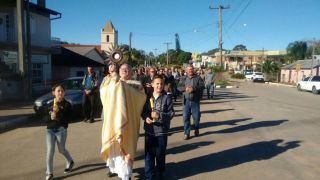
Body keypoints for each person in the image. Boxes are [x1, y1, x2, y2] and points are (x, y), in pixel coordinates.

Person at [100, 63, 146, 180]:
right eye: (122, 69)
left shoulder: (137, 85)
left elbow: (141, 97)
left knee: (127, 147)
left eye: (127, 69)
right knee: (114, 147)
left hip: (129, 124)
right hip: (113, 122)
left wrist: (120, 85)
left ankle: (126, 174)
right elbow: (103, 92)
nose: (125, 70)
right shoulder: (111, 82)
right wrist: (111, 76)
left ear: (131, 72)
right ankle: (114, 168)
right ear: (118, 71)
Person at [142, 75, 174, 180]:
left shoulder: (167, 97)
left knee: (160, 155)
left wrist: (160, 115)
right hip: (149, 131)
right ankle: (149, 176)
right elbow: (143, 111)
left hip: (161, 132)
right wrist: (146, 117)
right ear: (152, 84)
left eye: (161, 84)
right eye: (157, 84)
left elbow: (171, 113)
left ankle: (160, 172)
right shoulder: (148, 97)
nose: (159, 86)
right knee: (148, 155)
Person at [45, 84, 74, 180]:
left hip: (61, 130)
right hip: (50, 131)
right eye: (58, 91)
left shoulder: (67, 105)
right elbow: (44, 118)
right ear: (54, 93)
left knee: (61, 150)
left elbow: (68, 119)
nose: (60, 93)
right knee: (50, 151)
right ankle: (49, 173)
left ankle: (70, 162)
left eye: (62, 91)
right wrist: (50, 116)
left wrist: (58, 114)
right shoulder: (50, 104)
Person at [181, 65, 202, 140]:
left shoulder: (198, 78)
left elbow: (202, 86)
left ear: (193, 70)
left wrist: (193, 89)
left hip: (195, 101)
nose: (190, 71)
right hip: (186, 101)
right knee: (186, 117)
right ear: (186, 71)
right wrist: (185, 88)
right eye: (188, 70)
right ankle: (187, 133)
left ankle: (196, 129)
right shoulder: (183, 78)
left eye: (191, 69)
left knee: (196, 118)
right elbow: (179, 87)